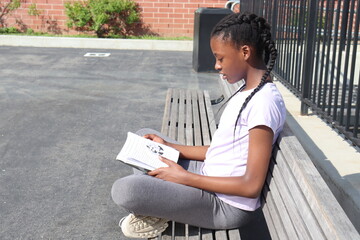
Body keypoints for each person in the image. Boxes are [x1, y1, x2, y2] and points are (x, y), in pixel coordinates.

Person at [111, 12, 286, 239]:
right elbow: (221, 150)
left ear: (245, 52)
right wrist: (171, 147)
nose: (216, 65)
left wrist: (184, 178)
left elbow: (251, 186)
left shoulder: (264, 103)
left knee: (125, 190)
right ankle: (162, 204)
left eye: (221, 58)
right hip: (208, 177)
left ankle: (160, 207)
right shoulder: (248, 91)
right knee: (145, 137)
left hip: (224, 205)